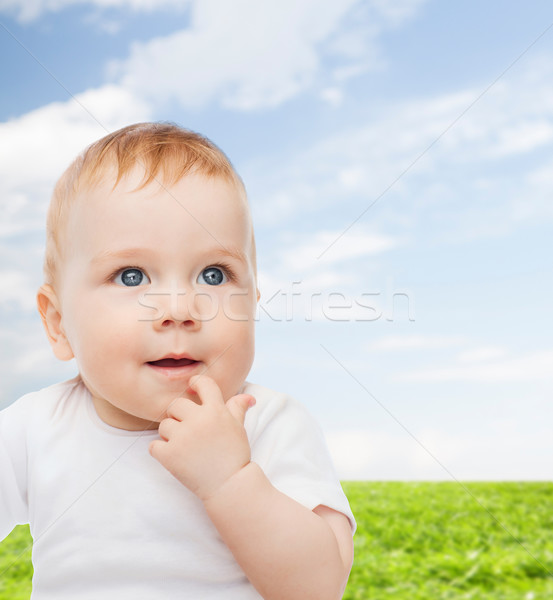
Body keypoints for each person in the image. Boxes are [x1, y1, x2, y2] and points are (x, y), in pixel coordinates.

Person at [0, 122, 355, 600]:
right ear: (59, 324)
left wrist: (230, 481)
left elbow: (318, 588)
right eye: (130, 276)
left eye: (213, 274)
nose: (179, 310)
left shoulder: (267, 424)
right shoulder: (32, 429)